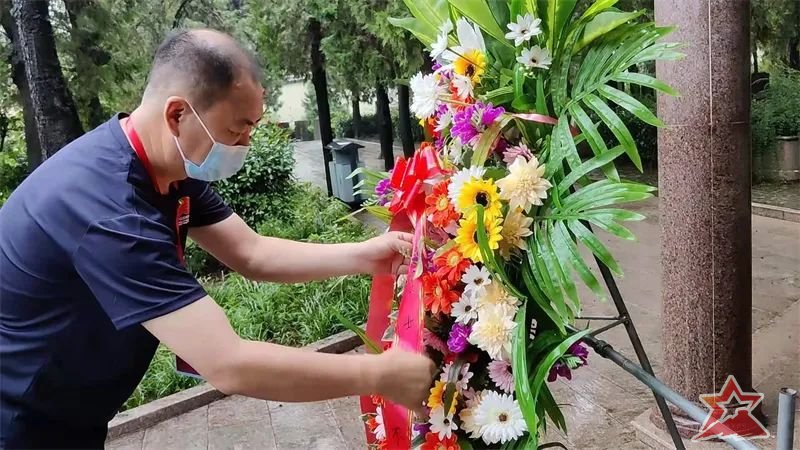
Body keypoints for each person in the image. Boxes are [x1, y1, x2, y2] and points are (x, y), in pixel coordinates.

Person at [0, 28, 435, 449]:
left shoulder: (167, 169)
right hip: (23, 424)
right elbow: (228, 364)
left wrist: (366, 254)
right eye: (235, 130)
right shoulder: (111, 212)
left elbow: (252, 252)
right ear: (177, 115)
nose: (245, 144)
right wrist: (380, 375)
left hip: (74, 413)